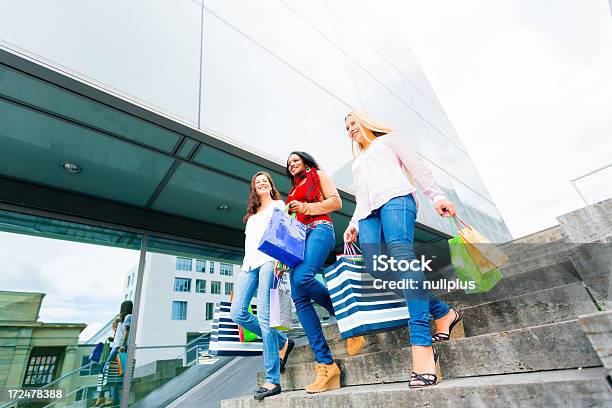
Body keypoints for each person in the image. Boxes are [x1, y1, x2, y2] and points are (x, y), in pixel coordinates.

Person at [343, 111, 463, 388]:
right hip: (367, 215)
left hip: (397, 200)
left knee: (402, 258)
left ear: (365, 121)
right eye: (346, 127)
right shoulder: (357, 162)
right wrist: (353, 224)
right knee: (376, 268)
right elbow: (361, 196)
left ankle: (421, 345)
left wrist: (438, 196)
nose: (350, 129)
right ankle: (443, 311)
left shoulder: (390, 139)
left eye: (353, 123)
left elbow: (417, 168)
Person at [284, 151, 363, 394]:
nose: (292, 164)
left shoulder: (319, 175)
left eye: (295, 160)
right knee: (299, 298)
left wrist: (306, 207)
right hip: (297, 241)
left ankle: (348, 319)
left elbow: (336, 202)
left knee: (304, 278)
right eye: (288, 164)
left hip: (320, 229)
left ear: (305, 161)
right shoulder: (292, 192)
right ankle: (326, 365)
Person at [230, 171, 294, 401]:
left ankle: (272, 380)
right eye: (257, 181)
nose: (261, 182)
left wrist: (281, 261)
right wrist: (244, 268)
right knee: (237, 312)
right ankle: (282, 341)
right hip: (249, 265)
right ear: (254, 189)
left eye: (264, 180)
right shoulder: (251, 215)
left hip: (269, 261)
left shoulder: (279, 204)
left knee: (266, 318)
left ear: (270, 185)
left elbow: (284, 234)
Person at [101, 301, 133, 406]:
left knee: (106, 368)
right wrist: (113, 339)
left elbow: (127, 332)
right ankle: (111, 397)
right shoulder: (122, 319)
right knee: (112, 371)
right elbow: (121, 333)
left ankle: (110, 397)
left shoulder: (129, 316)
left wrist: (123, 345)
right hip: (116, 345)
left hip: (119, 347)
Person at [94, 318, 119, 407]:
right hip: (115, 360)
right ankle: (101, 396)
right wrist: (112, 339)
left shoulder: (121, 332)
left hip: (117, 360)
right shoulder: (117, 334)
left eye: (116, 323)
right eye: (113, 323)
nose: (114, 324)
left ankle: (107, 397)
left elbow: (119, 346)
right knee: (103, 371)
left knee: (107, 371)